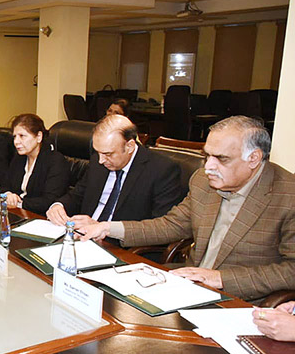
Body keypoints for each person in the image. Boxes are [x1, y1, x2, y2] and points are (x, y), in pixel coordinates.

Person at [78, 116, 295, 301]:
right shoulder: (203, 181)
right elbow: (172, 225)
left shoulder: (288, 196)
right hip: (187, 285)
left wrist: (220, 278)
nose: (208, 167)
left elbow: (291, 270)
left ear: (254, 158)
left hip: (241, 300)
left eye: (221, 159)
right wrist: (107, 228)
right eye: (207, 155)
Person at [46, 114, 183, 227]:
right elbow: (78, 195)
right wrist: (58, 206)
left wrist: (102, 228)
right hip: (82, 237)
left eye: (108, 154)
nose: (101, 160)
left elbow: (160, 227)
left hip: (122, 247)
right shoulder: (98, 162)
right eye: (98, 152)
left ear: (129, 146)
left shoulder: (162, 170)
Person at [0, 113, 69, 214]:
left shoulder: (56, 161)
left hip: (39, 217)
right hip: (17, 212)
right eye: (14, 137)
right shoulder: (19, 158)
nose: (16, 142)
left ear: (39, 137)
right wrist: (8, 194)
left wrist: (18, 203)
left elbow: (49, 201)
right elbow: (5, 185)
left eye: (22, 136)